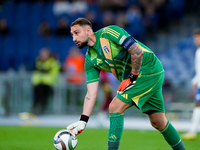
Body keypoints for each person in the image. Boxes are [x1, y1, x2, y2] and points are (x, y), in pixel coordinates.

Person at [66, 18, 186, 150]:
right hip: (142, 76)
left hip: (148, 69)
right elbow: (91, 93)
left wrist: (132, 78)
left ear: (88, 30)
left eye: (76, 33)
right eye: (72, 34)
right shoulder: (90, 60)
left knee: (114, 107)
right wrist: (83, 120)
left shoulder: (109, 32)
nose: (74, 38)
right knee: (159, 123)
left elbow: (137, 52)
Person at [182, 29, 200, 140]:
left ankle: (193, 130)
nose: (196, 40)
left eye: (197, 37)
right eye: (195, 38)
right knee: (198, 104)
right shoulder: (198, 51)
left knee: (198, 105)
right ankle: (193, 130)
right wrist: (195, 81)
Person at [31, 48, 60, 114]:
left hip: (49, 84)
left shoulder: (52, 62)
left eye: (45, 54)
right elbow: (36, 74)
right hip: (38, 84)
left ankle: (39, 107)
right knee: (37, 90)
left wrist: (44, 75)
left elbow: (54, 74)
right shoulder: (38, 62)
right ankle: (36, 107)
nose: (43, 56)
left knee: (42, 91)